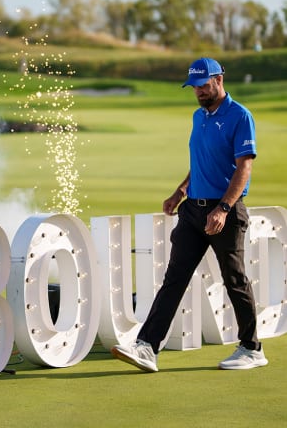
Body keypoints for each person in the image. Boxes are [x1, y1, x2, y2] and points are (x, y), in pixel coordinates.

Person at [112, 57, 266, 372]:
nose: (198, 92)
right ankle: (146, 347)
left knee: (234, 279)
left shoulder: (240, 116)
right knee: (174, 278)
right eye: (194, 87)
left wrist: (223, 208)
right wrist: (180, 191)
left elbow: (244, 167)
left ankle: (252, 348)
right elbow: (201, 161)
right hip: (192, 211)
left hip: (225, 211)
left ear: (219, 79)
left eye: (203, 85)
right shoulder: (199, 117)